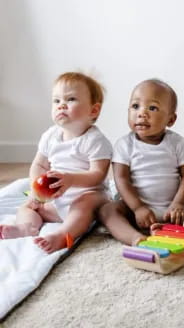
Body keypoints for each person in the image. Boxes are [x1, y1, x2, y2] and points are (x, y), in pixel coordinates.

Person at [0, 72, 112, 253]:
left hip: (86, 195)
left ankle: (63, 235)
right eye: (56, 101)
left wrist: (71, 180)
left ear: (93, 110)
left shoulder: (95, 140)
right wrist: (37, 190)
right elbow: (39, 165)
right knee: (29, 206)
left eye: (71, 99)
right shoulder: (50, 135)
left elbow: (98, 174)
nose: (61, 106)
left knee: (86, 203)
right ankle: (26, 228)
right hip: (55, 199)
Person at [98, 79, 184, 246]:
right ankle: (135, 238)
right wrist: (138, 207)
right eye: (135, 106)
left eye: (152, 108)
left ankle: (168, 228)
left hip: (172, 208)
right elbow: (121, 179)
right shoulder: (124, 144)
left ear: (171, 119)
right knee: (107, 211)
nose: (141, 113)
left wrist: (179, 203)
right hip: (136, 210)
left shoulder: (176, 142)